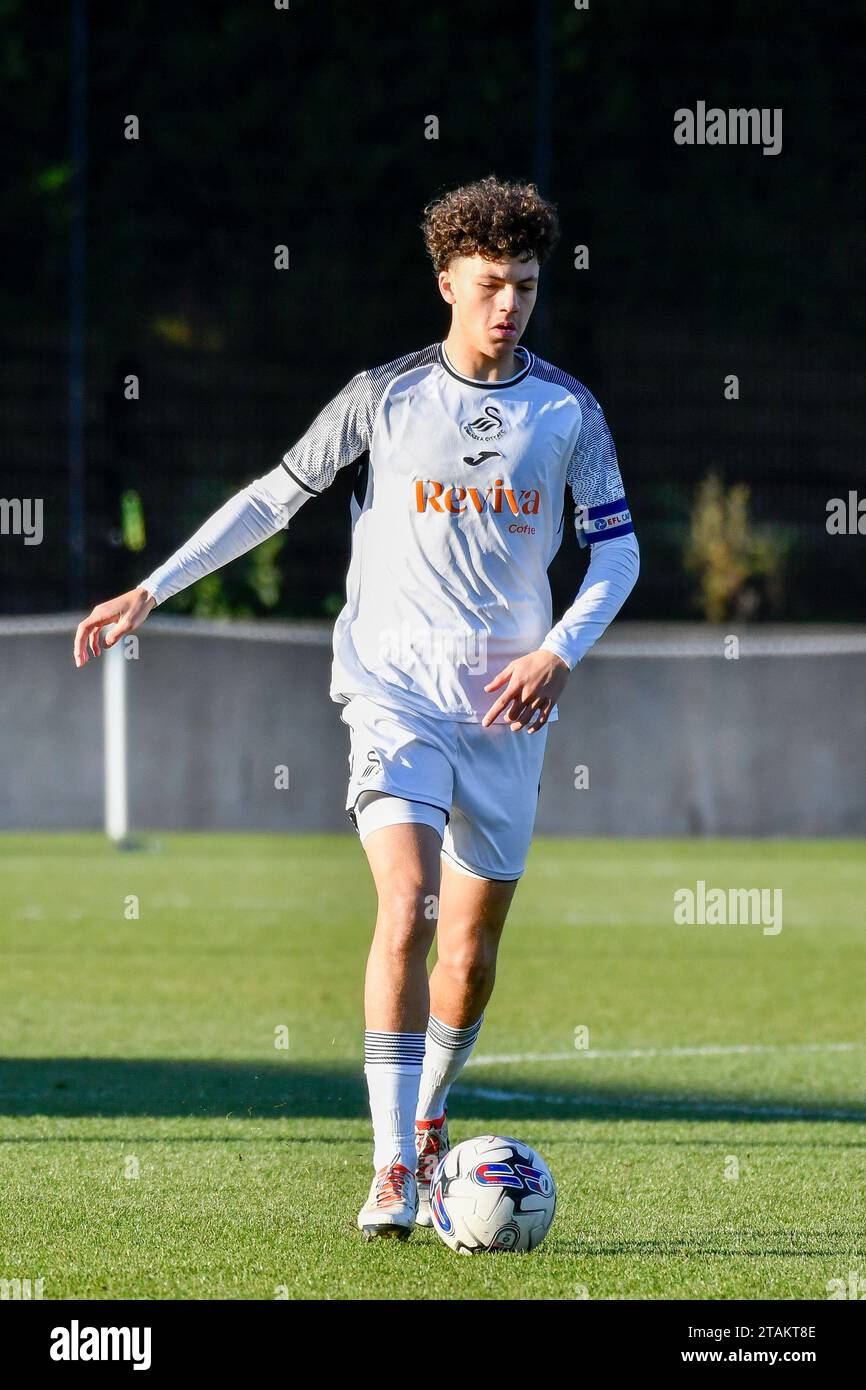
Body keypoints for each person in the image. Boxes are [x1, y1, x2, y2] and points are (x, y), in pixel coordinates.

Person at [74, 175, 639, 1240]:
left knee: (467, 958)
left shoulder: (567, 411)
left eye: (522, 285)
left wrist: (560, 649)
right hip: (392, 696)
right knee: (408, 901)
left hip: (508, 716)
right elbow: (271, 496)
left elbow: (617, 546)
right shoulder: (383, 397)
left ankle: (428, 1126)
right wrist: (153, 586)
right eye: (486, 285)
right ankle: (389, 1167)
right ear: (444, 284)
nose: (507, 304)